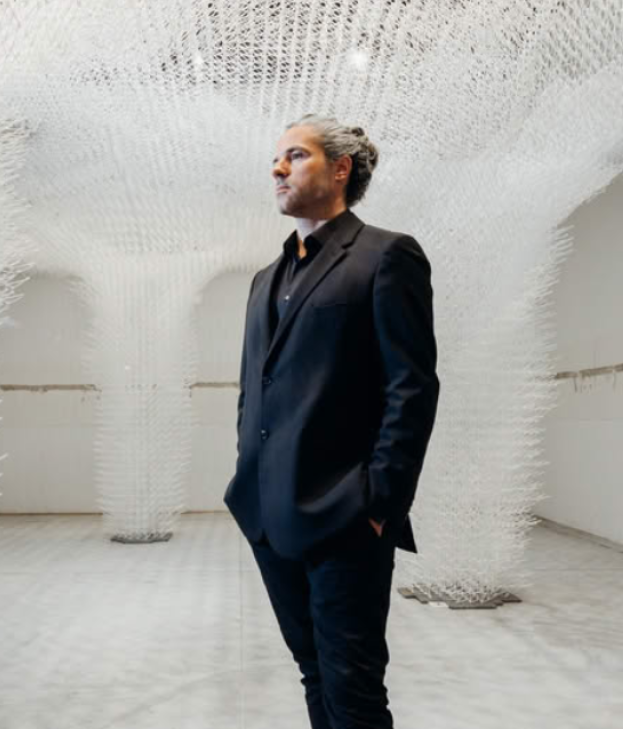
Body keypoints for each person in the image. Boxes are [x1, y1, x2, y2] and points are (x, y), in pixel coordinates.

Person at [224, 114, 441, 728]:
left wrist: (380, 502)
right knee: (314, 673)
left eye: (296, 155)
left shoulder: (385, 256)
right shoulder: (265, 280)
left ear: (340, 168)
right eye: (276, 158)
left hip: (345, 516)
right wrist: (247, 477)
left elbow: (411, 387)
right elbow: (254, 389)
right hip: (268, 515)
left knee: (353, 691)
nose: (278, 168)